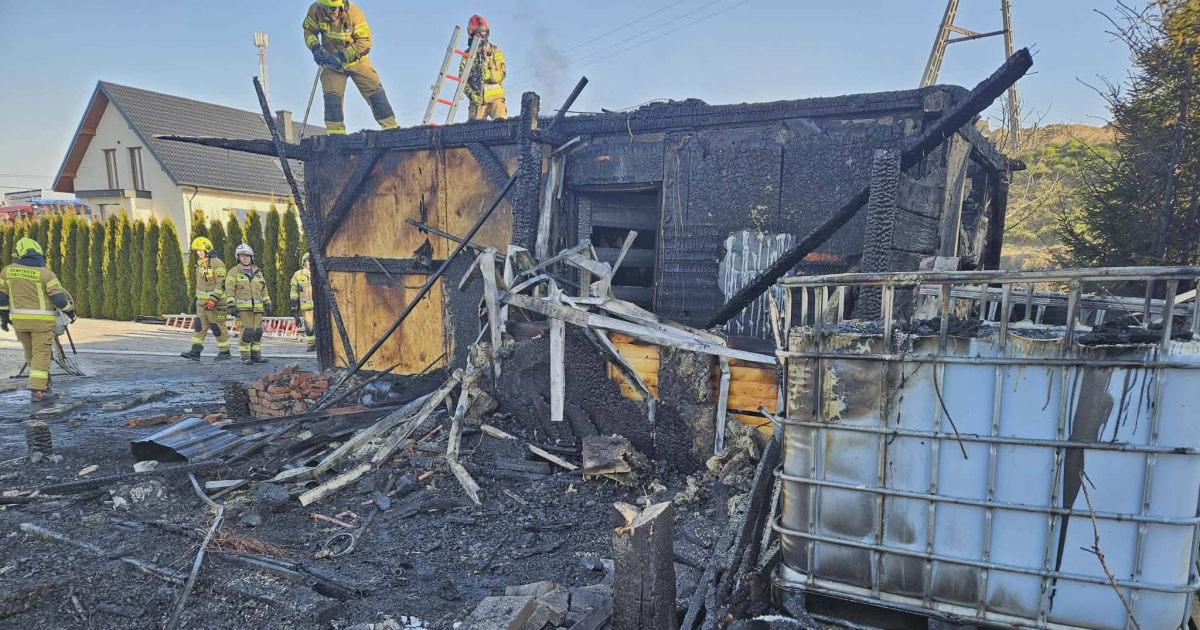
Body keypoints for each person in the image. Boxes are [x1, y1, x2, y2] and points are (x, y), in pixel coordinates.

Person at [303, 0, 398, 133]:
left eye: (334, 8)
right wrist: (315, 48)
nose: (332, 11)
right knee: (332, 100)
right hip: (332, 63)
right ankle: (336, 136)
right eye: (328, 8)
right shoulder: (315, 10)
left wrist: (342, 56)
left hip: (357, 61)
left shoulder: (354, 14)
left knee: (375, 93)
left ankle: (391, 129)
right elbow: (309, 31)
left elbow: (365, 42)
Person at [0, 237, 76, 404]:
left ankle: (44, 383)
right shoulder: (46, 273)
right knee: (42, 354)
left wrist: (3, 319)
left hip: (20, 322)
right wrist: (71, 313)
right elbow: (59, 299)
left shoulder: (7, 271)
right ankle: (39, 391)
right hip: (42, 323)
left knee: (31, 354)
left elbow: (2, 298)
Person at [181, 236, 232, 361]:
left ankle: (225, 352)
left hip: (216, 304)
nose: (198, 253)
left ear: (207, 249)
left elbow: (221, 285)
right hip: (202, 303)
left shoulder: (217, 263)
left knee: (218, 327)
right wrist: (195, 300)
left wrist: (213, 300)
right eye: (197, 251)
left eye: (200, 250)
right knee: (199, 326)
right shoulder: (202, 264)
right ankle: (195, 352)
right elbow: (203, 284)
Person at [225, 244, 272, 365]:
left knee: (257, 333)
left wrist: (268, 303)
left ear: (251, 257)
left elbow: (264, 290)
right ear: (238, 257)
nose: (245, 258)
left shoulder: (258, 272)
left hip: (258, 308)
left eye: (247, 256)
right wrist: (231, 305)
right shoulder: (233, 272)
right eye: (242, 256)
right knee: (247, 333)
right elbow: (229, 290)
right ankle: (245, 356)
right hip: (243, 309)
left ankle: (256, 355)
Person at [460, 14, 507, 120]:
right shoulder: (467, 56)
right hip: (477, 101)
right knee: (474, 132)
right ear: (472, 34)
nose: (482, 35)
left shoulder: (495, 51)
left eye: (484, 32)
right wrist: (471, 95)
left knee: (502, 128)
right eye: (480, 32)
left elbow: (503, 73)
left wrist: (490, 75)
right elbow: (463, 81)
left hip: (496, 99)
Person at [289, 253, 316, 352]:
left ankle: (323, 347)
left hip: (321, 307)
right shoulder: (297, 275)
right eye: (308, 260)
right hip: (307, 308)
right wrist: (294, 310)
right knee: (309, 328)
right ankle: (311, 345)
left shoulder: (318, 272)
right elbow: (293, 293)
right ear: (304, 262)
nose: (310, 263)